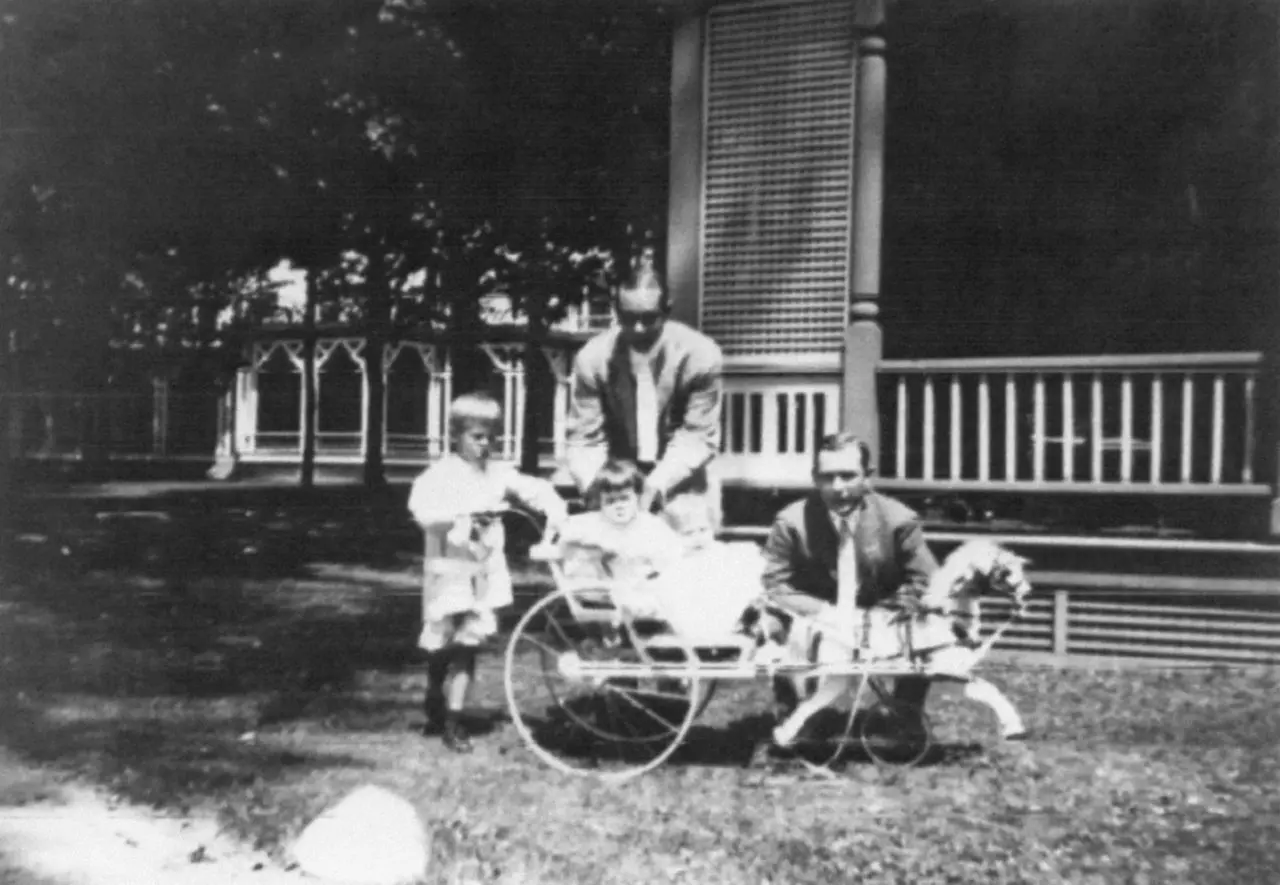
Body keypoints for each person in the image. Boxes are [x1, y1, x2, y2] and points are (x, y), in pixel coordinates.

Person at [407, 392, 568, 753]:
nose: (485, 445)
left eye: (491, 437)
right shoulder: (440, 475)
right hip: (449, 571)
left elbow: (535, 489)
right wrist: (462, 516)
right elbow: (423, 511)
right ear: (457, 435)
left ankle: (453, 720)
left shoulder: (497, 474)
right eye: (476, 437)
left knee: (469, 644)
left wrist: (554, 507)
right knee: (443, 641)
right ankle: (435, 688)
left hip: (482, 576)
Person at [758, 431, 938, 749]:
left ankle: (906, 716)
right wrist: (823, 613)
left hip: (880, 612)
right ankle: (797, 711)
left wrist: (886, 613)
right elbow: (774, 584)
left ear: (867, 477)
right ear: (814, 478)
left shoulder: (899, 520)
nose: (838, 487)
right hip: (816, 613)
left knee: (927, 626)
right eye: (828, 477)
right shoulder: (790, 522)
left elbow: (926, 580)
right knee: (773, 623)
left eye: (848, 475)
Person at [565, 255, 725, 529]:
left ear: (667, 311)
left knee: (689, 562)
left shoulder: (700, 355)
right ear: (616, 311)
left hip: (683, 482)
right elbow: (585, 438)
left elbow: (697, 436)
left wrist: (656, 485)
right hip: (617, 481)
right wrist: (598, 487)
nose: (637, 329)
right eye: (627, 318)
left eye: (648, 318)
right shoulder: (593, 359)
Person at [558, 458, 683, 600]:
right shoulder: (593, 523)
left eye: (624, 499)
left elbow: (674, 554)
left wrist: (656, 574)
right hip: (606, 592)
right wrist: (597, 548)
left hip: (645, 589)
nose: (619, 506)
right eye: (610, 501)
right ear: (600, 502)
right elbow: (565, 540)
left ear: (637, 496)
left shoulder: (650, 525)